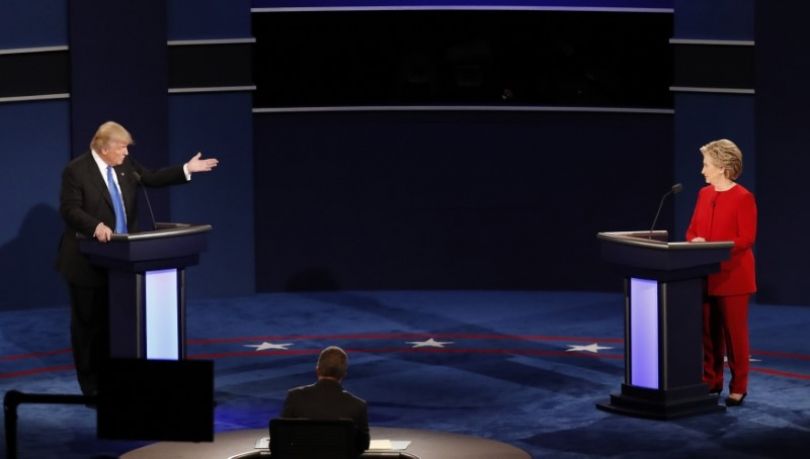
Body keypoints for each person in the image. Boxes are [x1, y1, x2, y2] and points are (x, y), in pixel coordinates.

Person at [56, 121, 218, 397]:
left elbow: (152, 177)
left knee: (118, 325)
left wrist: (186, 169)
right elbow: (69, 209)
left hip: (124, 260)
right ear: (104, 148)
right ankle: (91, 386)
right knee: (89, 328)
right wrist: (95, 226)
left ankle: (119, 379)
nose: (126, 152)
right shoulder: (76, 170)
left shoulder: (126, 165)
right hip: (86, 261)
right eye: (121, 147)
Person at [686, 139, 756, 407]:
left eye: (706, 165)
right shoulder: (704, 194)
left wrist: (713, 247)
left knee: (734, 336)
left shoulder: (743, 197)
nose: (702, 170)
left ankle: (738, 387)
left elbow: (746, 239)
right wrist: (695, 241)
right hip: (706, 274)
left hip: (733, 276)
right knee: (708, 333)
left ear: (722, 167)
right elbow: (692, 230)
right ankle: (711, 380)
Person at [281, 346, 370, 455]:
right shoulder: (358, 406)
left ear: (317, 370)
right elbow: (363, 446)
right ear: (343, 374)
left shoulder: (294, 397)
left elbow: (280, 442)